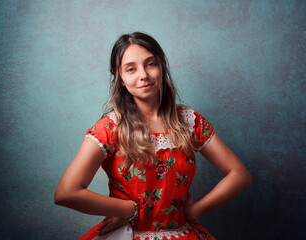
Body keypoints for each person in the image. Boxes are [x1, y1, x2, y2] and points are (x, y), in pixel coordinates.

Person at [54, 32, 252, 240]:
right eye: (131, 69)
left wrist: (197, 210)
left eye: (150, 64)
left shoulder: (189, 122)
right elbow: (66, 193)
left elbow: (240, 174)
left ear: (162, 67)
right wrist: (127, 209)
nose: (143, 75)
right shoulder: (111, 128)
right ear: (120, 78)